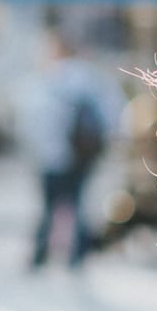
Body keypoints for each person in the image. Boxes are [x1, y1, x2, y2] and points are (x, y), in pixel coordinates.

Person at [16, 28, 125, 269]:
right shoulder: (91, 78)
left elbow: (31, 119)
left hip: (51, 156)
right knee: (77, 204)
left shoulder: (47, 78)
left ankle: (41, 255)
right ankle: (76, 256)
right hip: (82, 155)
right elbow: (112, 111)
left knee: (49, 206)